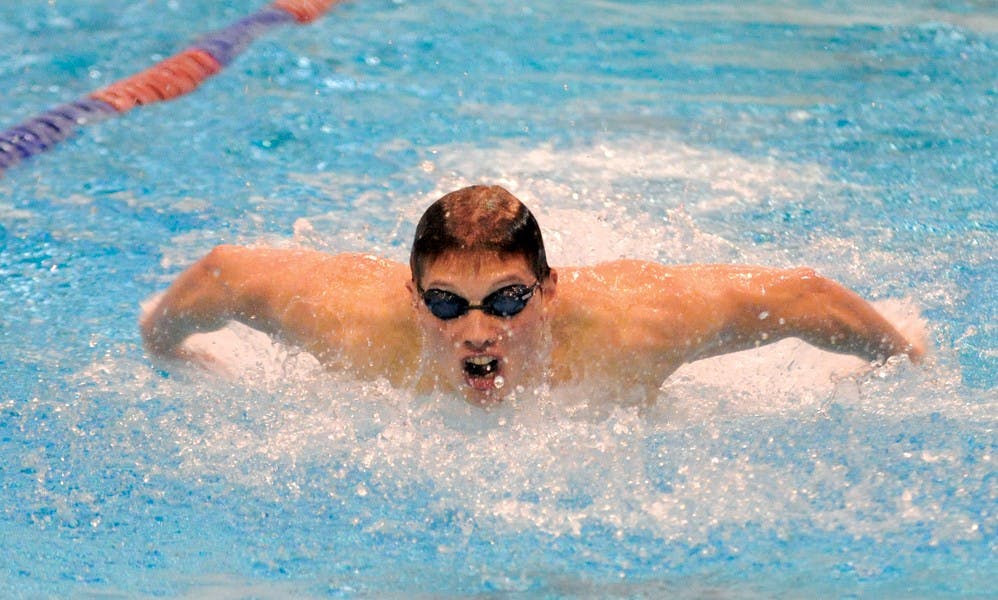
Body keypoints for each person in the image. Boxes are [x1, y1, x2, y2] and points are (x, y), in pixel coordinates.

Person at [141, 185, 924, 406]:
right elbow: (223, 273)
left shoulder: (635, 328)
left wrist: (902, 356)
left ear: (549, 290)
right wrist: (166, 346)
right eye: (448, 304)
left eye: (508, 300)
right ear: (413, 298)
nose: (479, 329)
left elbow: (803, 297)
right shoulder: (354, 326)